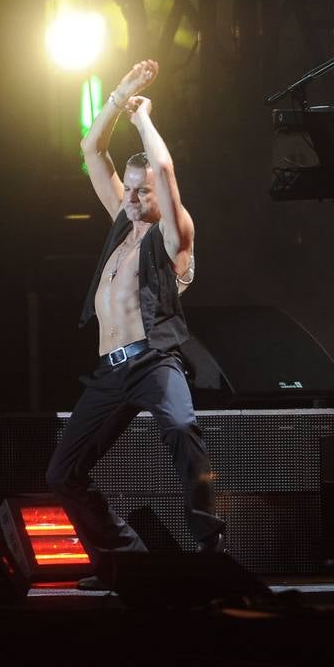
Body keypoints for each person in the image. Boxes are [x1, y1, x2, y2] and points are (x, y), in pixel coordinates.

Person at [45, 58, 226, 589]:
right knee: (62, 475)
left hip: (153, 360)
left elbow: (165, 175)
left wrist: (145, 118)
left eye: (140, 192)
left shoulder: (171, 237)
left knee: (179, 427)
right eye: (128, 189)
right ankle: (124, 558)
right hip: (109, 372)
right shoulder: (122, 224)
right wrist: (120, 93)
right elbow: (89, 150)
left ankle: (212, 548)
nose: (130, 198)